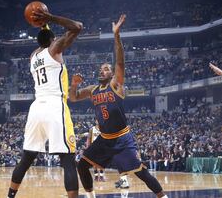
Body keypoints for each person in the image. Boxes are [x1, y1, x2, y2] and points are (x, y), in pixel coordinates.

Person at [69, 14, 167, 198]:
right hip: (105, 139)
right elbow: (72, 98)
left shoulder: (116, 85)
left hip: (122, 138)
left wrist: (116, 35)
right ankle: (91, 196)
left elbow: (120, 61)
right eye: (101, 68)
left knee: (141, 172)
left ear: (113, 73)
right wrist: (74, 84)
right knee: (82, 165)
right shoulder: (92, 89)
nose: (102, 70)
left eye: (106, 68)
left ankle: (163, 196)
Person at [7, 8, 83, 198]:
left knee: (26, 158)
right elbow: (77, 27)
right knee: (68, 160)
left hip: (36, 108)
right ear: (52, 40)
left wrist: (43, 25)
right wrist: (49, 18)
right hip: (54, 106)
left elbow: (44, 39)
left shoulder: (33, 57)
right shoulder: (54, 48)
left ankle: (10, 195)